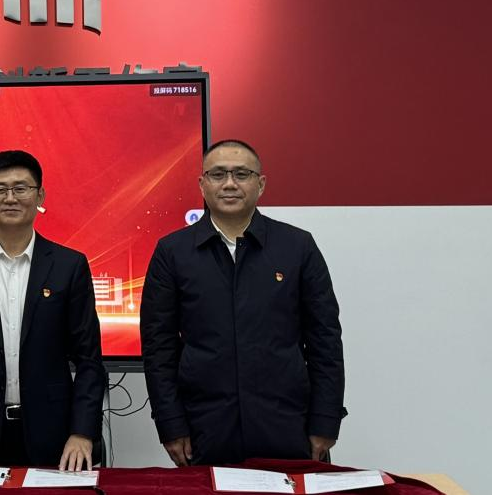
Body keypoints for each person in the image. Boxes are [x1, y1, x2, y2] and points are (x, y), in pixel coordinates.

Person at [141, 139, 346, 466]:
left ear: (260, 184)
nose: (230, 184)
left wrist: (325, 420)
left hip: (288, 424)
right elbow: (159, 348)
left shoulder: (298, 247)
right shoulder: (173, 252)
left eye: (241, 174)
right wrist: (170, 423)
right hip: (204, 427)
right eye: (218, 174)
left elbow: (325, 341)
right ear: (202, 184)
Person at [0, 150, 107, 471]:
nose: (10, 198)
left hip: (55, 435)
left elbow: (89, 360)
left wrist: (82, 432)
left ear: (40, 196)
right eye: (0, 189)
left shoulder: (69, 266)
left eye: (21, 188)